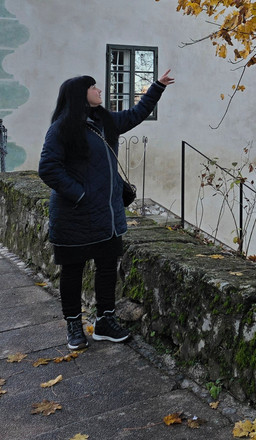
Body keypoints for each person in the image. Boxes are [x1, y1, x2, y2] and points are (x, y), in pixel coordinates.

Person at [38, 70, 175, 350]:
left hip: (106, 214)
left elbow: (137, 114)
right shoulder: (62, 127)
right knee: (73, 271)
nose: (99, 90)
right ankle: (74, 326)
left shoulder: (105, 121)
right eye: (93, 88)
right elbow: (48, 169)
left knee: (106, 268)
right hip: (74, 215)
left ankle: (104, 322)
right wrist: (80, 195)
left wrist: (157, 87)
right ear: (80, 94)